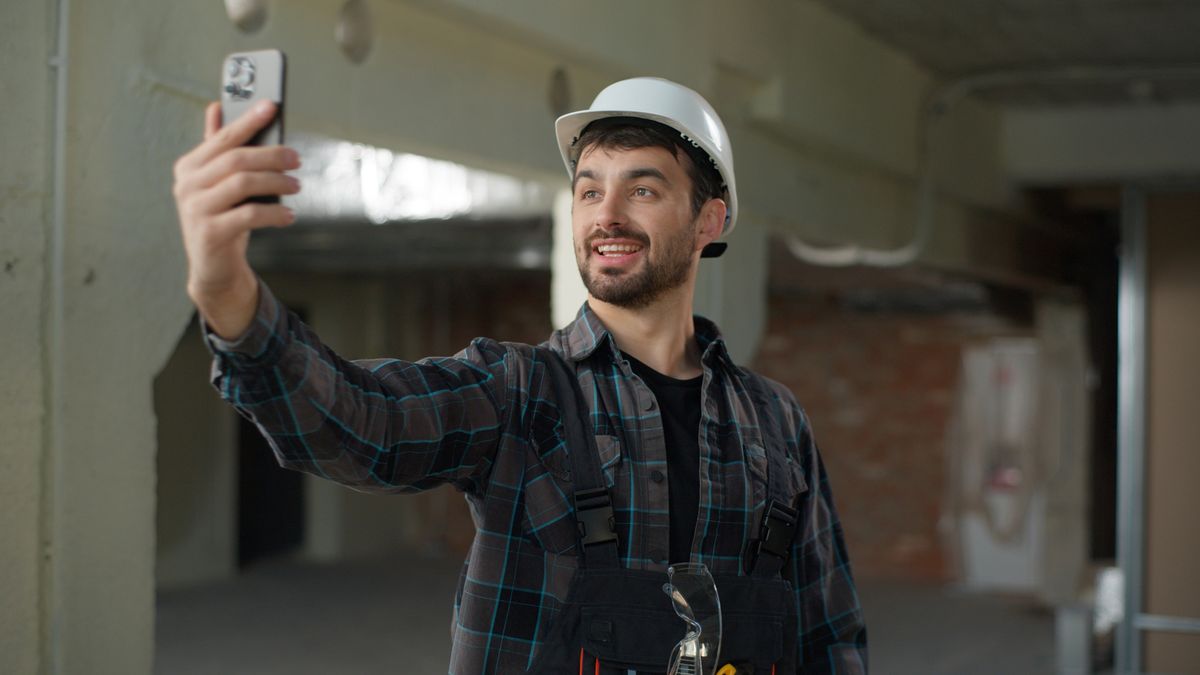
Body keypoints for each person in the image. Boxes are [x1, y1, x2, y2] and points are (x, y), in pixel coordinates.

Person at [172, 77, 868, 674]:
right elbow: (361, 423)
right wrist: (228, 294)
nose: (608, 214)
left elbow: (828, 633)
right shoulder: (517, 391)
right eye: (589, 189)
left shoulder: (776, 422)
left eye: (644, 189)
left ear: (709, 221)